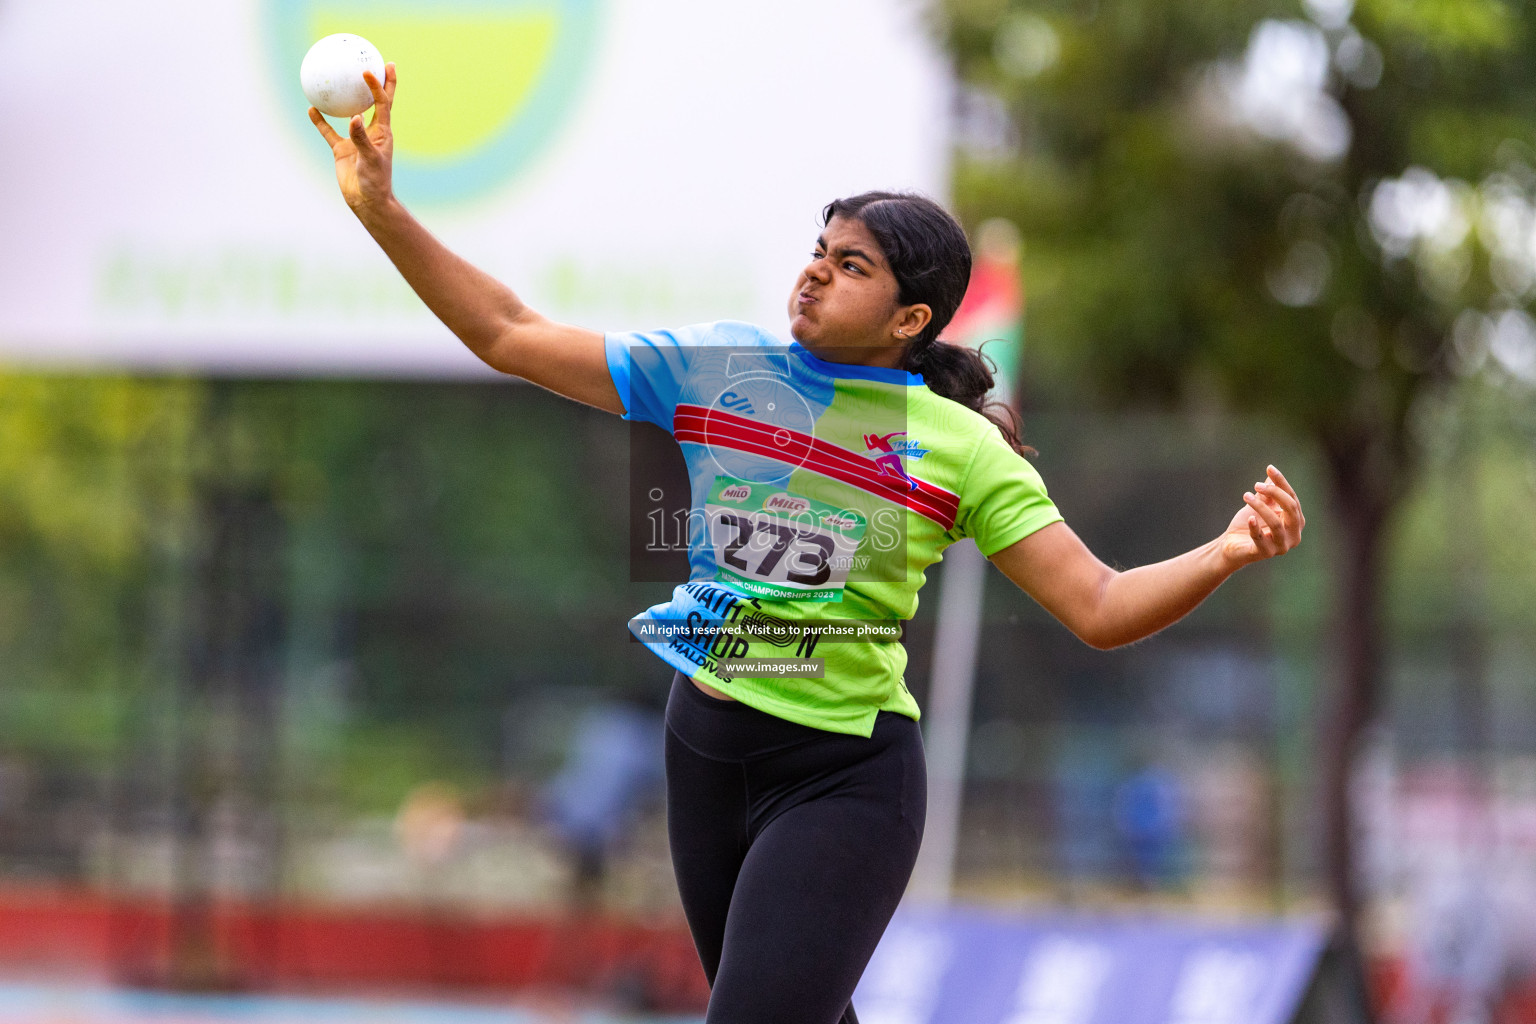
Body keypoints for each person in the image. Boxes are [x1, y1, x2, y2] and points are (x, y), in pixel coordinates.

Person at [308, 67, 1306, 1024]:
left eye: (852, 264)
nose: (816, 271)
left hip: (843, 776)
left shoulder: (957, 446)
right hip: (703, 751)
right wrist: (383, 211)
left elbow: (1099, 605)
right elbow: (511, 333)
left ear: (911, 318)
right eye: (819, 250)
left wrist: (1223, 551)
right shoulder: (716, 371)